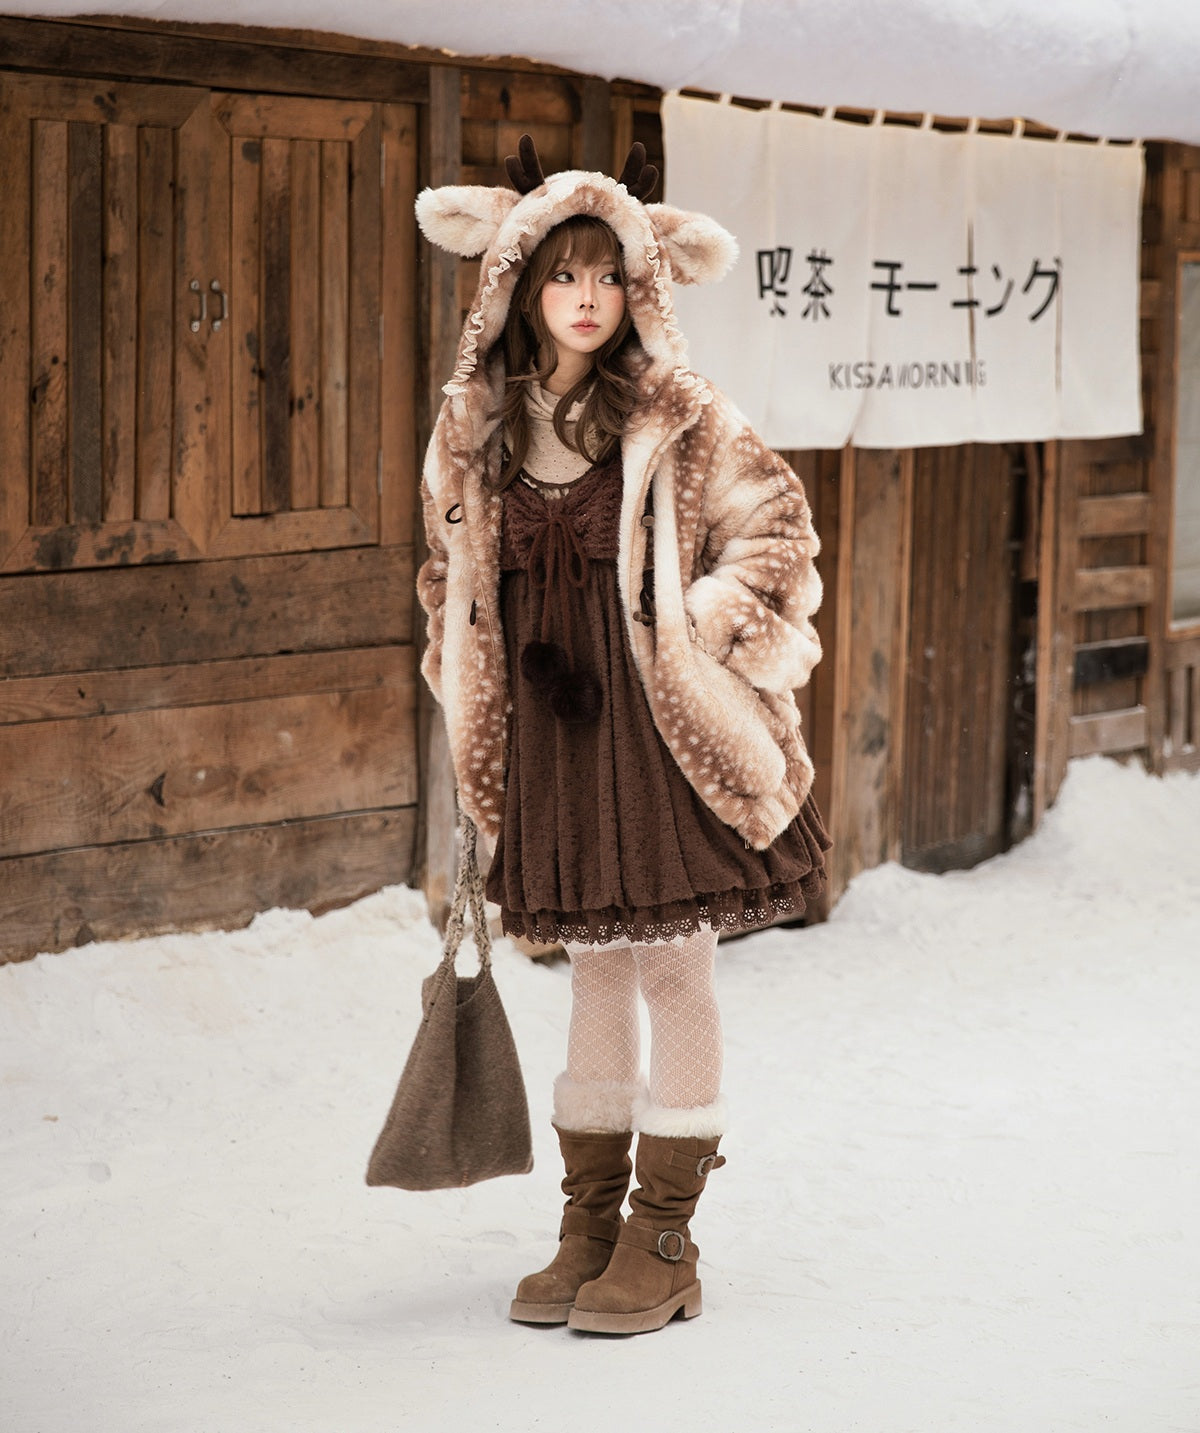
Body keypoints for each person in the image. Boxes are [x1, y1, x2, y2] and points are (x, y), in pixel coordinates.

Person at [414, 136, 829, 1335]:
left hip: (660, 726)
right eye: (561, 276)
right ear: (517, 288)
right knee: (593, 964)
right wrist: (465, 659)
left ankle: (664, 1233)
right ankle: (587, 1221)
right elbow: (442, 568)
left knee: (673, 961)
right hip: (549, 727)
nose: (586, 299)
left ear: (641, 288)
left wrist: (703, 626)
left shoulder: (683, 415)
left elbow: (778, 535)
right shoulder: (474, 422)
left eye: (607, 276)